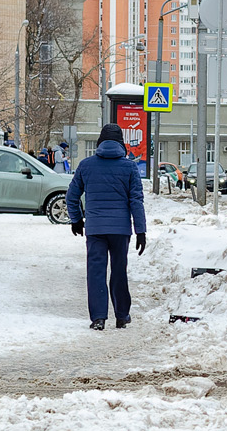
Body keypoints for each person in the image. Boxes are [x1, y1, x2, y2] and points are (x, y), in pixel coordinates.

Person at [66, 123, 147, 331]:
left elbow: (72, 196)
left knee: (96, 272)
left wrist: (76, 219)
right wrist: (141, 231)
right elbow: (136, 201)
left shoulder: (86, 165)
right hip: (120, 230)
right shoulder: (129, 167)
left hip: (95, 230)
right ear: (121, 143)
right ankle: (122, 315)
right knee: (119, 271)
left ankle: (98, 318)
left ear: (100, 142)